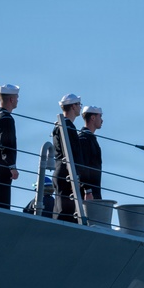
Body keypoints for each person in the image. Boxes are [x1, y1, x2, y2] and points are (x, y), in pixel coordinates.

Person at [52, 93, 83, 222]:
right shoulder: (67, 126)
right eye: (79, 105)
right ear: (73, 107)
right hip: (66, 172)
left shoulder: (62, 125)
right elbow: (70, 153)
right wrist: (74, 175)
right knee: (65, 211)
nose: (80, 107)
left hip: (62, 170)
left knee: (63, 208)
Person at [78, 105, 103, 200]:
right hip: (89, 193)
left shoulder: (89, 138)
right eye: (100, 116)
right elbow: (82, 166)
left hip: (93, 191)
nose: (102, 120)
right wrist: (87, 190)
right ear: (93, 117)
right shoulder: (84, 139)